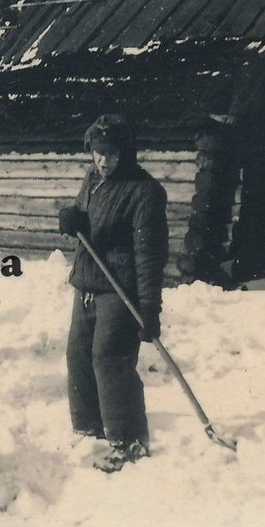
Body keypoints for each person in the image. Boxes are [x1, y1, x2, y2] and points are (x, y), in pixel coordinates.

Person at [58, 114, 169, 473]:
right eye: (97, 152)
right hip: (88, 284)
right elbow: (84, 216)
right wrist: (71, 218)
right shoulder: (93, 180)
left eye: (110, 153)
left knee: (110, 359)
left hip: (120, 291)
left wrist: (150, 307)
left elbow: (149, 254)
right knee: (78, 355)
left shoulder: (145, 191)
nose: (103, 161)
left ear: (126, 152)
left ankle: (128, 440)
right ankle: (88, 428)